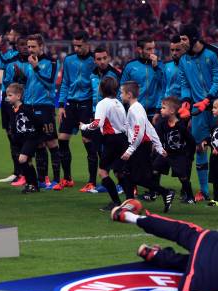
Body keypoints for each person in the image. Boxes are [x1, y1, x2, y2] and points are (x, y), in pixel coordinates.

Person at [178, 24, 218, 202]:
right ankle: (204, 191)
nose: (181, 43)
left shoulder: (214, 53)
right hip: (199, 110)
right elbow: (185, 83)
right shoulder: (184, 59)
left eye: (184, 39)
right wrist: (186, 102)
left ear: (194, 38)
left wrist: (207, 100)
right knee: (200, 148)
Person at [121, 81, 175, 213]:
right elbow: (149, 127)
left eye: (122, 93)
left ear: (129, 94)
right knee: (127, 174)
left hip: (140, 147)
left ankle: (165, 192)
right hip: (140, 146)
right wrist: (159, 147)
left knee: (138, 177)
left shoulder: (135, 109)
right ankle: (129, 203)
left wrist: (130, 149)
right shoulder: (137, 108)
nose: (120, 95)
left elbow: (140, 131)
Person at [80, 77, 130, 211]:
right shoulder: (118, 103)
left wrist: (84, 126)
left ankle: (116, 202)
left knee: (103, 171)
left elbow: (98, 123)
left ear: (101, 89)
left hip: (111, 140)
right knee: (119, 171)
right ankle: (130, 200)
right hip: (122, 139)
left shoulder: (103, 103)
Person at [17, 34, 59, 189]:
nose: (30, 50)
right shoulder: (27, 63)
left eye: (33, 47)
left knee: (51, 143)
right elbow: (27, 84)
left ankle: (56, 180)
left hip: (45, 107)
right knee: (39, 144)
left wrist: (36, 67)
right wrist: (20, 77)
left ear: (41, 46)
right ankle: (41, 179)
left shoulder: (52, 62)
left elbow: (49, 83)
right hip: (29, 107)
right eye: (28, 47)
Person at [56, 31, 96, 191]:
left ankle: (92, 181)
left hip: (86, 105)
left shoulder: (94, 60)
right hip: (71, 105)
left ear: (87, 44)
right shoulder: (69, 60)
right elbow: (65, 82)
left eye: (80, 45)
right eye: (75, 46)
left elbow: (97, 86)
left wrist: (95, 109)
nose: (77, 48)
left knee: (88, 143)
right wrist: (61, 105)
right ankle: (67, 178)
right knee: (62, 139)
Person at [81, 46, 122, 194]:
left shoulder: (116, 74)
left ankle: (120, 183)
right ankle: (106, 182)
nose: (102, 61)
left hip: (110, 119)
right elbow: (91, 95)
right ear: (95, 60)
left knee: (111, 150)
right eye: (99, 59)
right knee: (99, 149)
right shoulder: (92, 75)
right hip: (96, 115)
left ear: (108, 57)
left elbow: (119, 98)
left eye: (104, 58)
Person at [0, 24, 26, 183]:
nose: (8, 36)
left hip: (18, 100)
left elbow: (0, 64)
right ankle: (17, 171)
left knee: (20, 136)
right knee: (10, 134)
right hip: (6, 99)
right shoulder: (10, 54)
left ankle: (24, 172)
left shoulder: (23, 57)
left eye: (11, 34)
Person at [153, 96, 195, 204]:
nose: (160, 110)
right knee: (154, 170)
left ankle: (190, 197)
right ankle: (154, 192)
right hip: (165, 154)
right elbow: (159, 138)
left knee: (183, 176)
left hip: (178, 155)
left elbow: (191, 141)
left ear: (171, 111)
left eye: (163, 108)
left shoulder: (180, 126)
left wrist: (190, 155)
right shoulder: (162, 124)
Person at [120, 37, 164, 123]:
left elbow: (164, 86)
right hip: (135, 112)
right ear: (140, 50)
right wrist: (123, 109)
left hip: (154, 113)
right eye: (149, 49)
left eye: (153, 48)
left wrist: (156, 68)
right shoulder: (130, 66)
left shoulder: (160, 65)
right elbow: (122, 88)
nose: (152, 52)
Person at [6, 83, 40, 194]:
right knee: (27, 162)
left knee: (22, 159)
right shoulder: (12, 110)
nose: (8, 97)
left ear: (18, 96)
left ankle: (32, 184)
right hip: (21, 140)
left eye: (10, 95)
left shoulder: (26, 109)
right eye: (7, 95)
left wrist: (39, 137)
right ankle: (32, 184)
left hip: (31, 138)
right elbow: (13, 125)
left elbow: (37, 122)